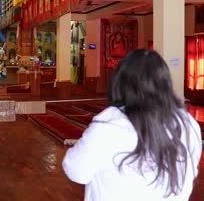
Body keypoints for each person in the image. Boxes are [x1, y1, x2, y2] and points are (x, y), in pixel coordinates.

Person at [62, 49, 202, 201]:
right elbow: (190, 170)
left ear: (121, 82)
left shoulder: (110, 125)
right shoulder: (188, 123)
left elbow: (76, 170)